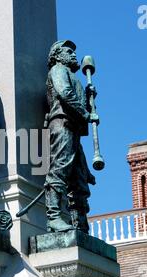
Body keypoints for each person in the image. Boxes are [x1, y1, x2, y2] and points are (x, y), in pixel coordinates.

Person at [44, 40, 99, 234]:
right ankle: (53, 217)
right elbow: (65, 93)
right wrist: (85, 113)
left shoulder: (72, 76)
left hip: (73, 129)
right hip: (62, 124)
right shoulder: (58, 70)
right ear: (57, 56)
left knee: (79, 178)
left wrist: (89, 97)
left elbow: (73, 96)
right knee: (61, 167)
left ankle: (81, 224)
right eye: (68, 51)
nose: (74, 55)